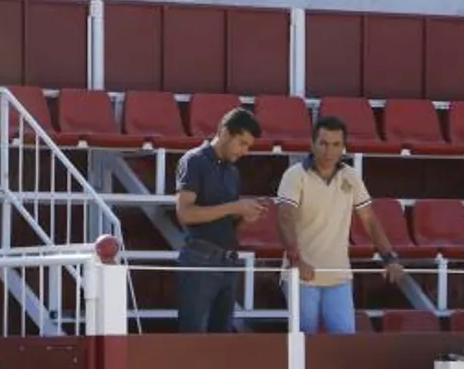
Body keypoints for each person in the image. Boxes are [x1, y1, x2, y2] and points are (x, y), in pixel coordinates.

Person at [272, 117, 406, 334]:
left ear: (343, 148)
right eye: (323, 143)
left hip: (339, 277)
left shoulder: (351, 176)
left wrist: (389, 258)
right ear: (312, 144)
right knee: (303, 344)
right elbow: (284, 218)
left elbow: (370, 220)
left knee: (345, 343)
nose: (329, 151)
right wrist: (297, 260)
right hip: (301, 276)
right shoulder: (294, 175)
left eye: (336, 145)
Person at [174, 107, 268, 333]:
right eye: (242, 143)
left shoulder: (232, 171)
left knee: (221, 340)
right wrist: (235, 207)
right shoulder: (194, 161)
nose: (244, 151)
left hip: (227, 260)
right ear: (225, 133)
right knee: (192, 337)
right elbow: (185, 213)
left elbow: (227, 222)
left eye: (248, 146)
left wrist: (246, 216)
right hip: (200, 259)